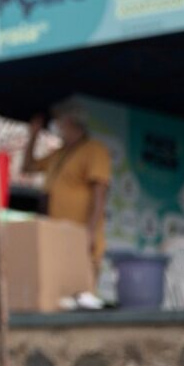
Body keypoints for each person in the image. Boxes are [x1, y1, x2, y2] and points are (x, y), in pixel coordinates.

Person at [24, 103, 112, 275]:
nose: (57, 127)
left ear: (71, 122)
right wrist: (33, 135)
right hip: (55, 238)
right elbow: (27, 167)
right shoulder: (59, 153)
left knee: (79, 295)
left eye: (59, 122)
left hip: (79, 239)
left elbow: (99, 194)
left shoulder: (94, 149)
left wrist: (90, 233)